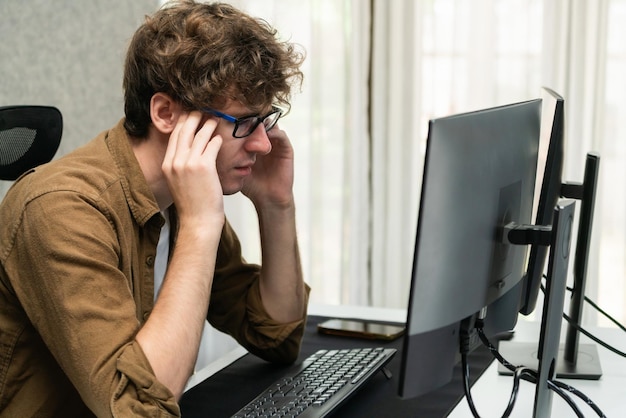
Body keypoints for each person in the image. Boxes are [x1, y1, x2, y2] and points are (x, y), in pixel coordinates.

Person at [0, 1, 309, 416]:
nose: (262, 144)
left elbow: (276, 336)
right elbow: (138, 409)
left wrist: (277, 205)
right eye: (243, 123)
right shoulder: (61, 209)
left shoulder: (184, 194)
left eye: (265, 120)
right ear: (165, 113)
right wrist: (202, 224)